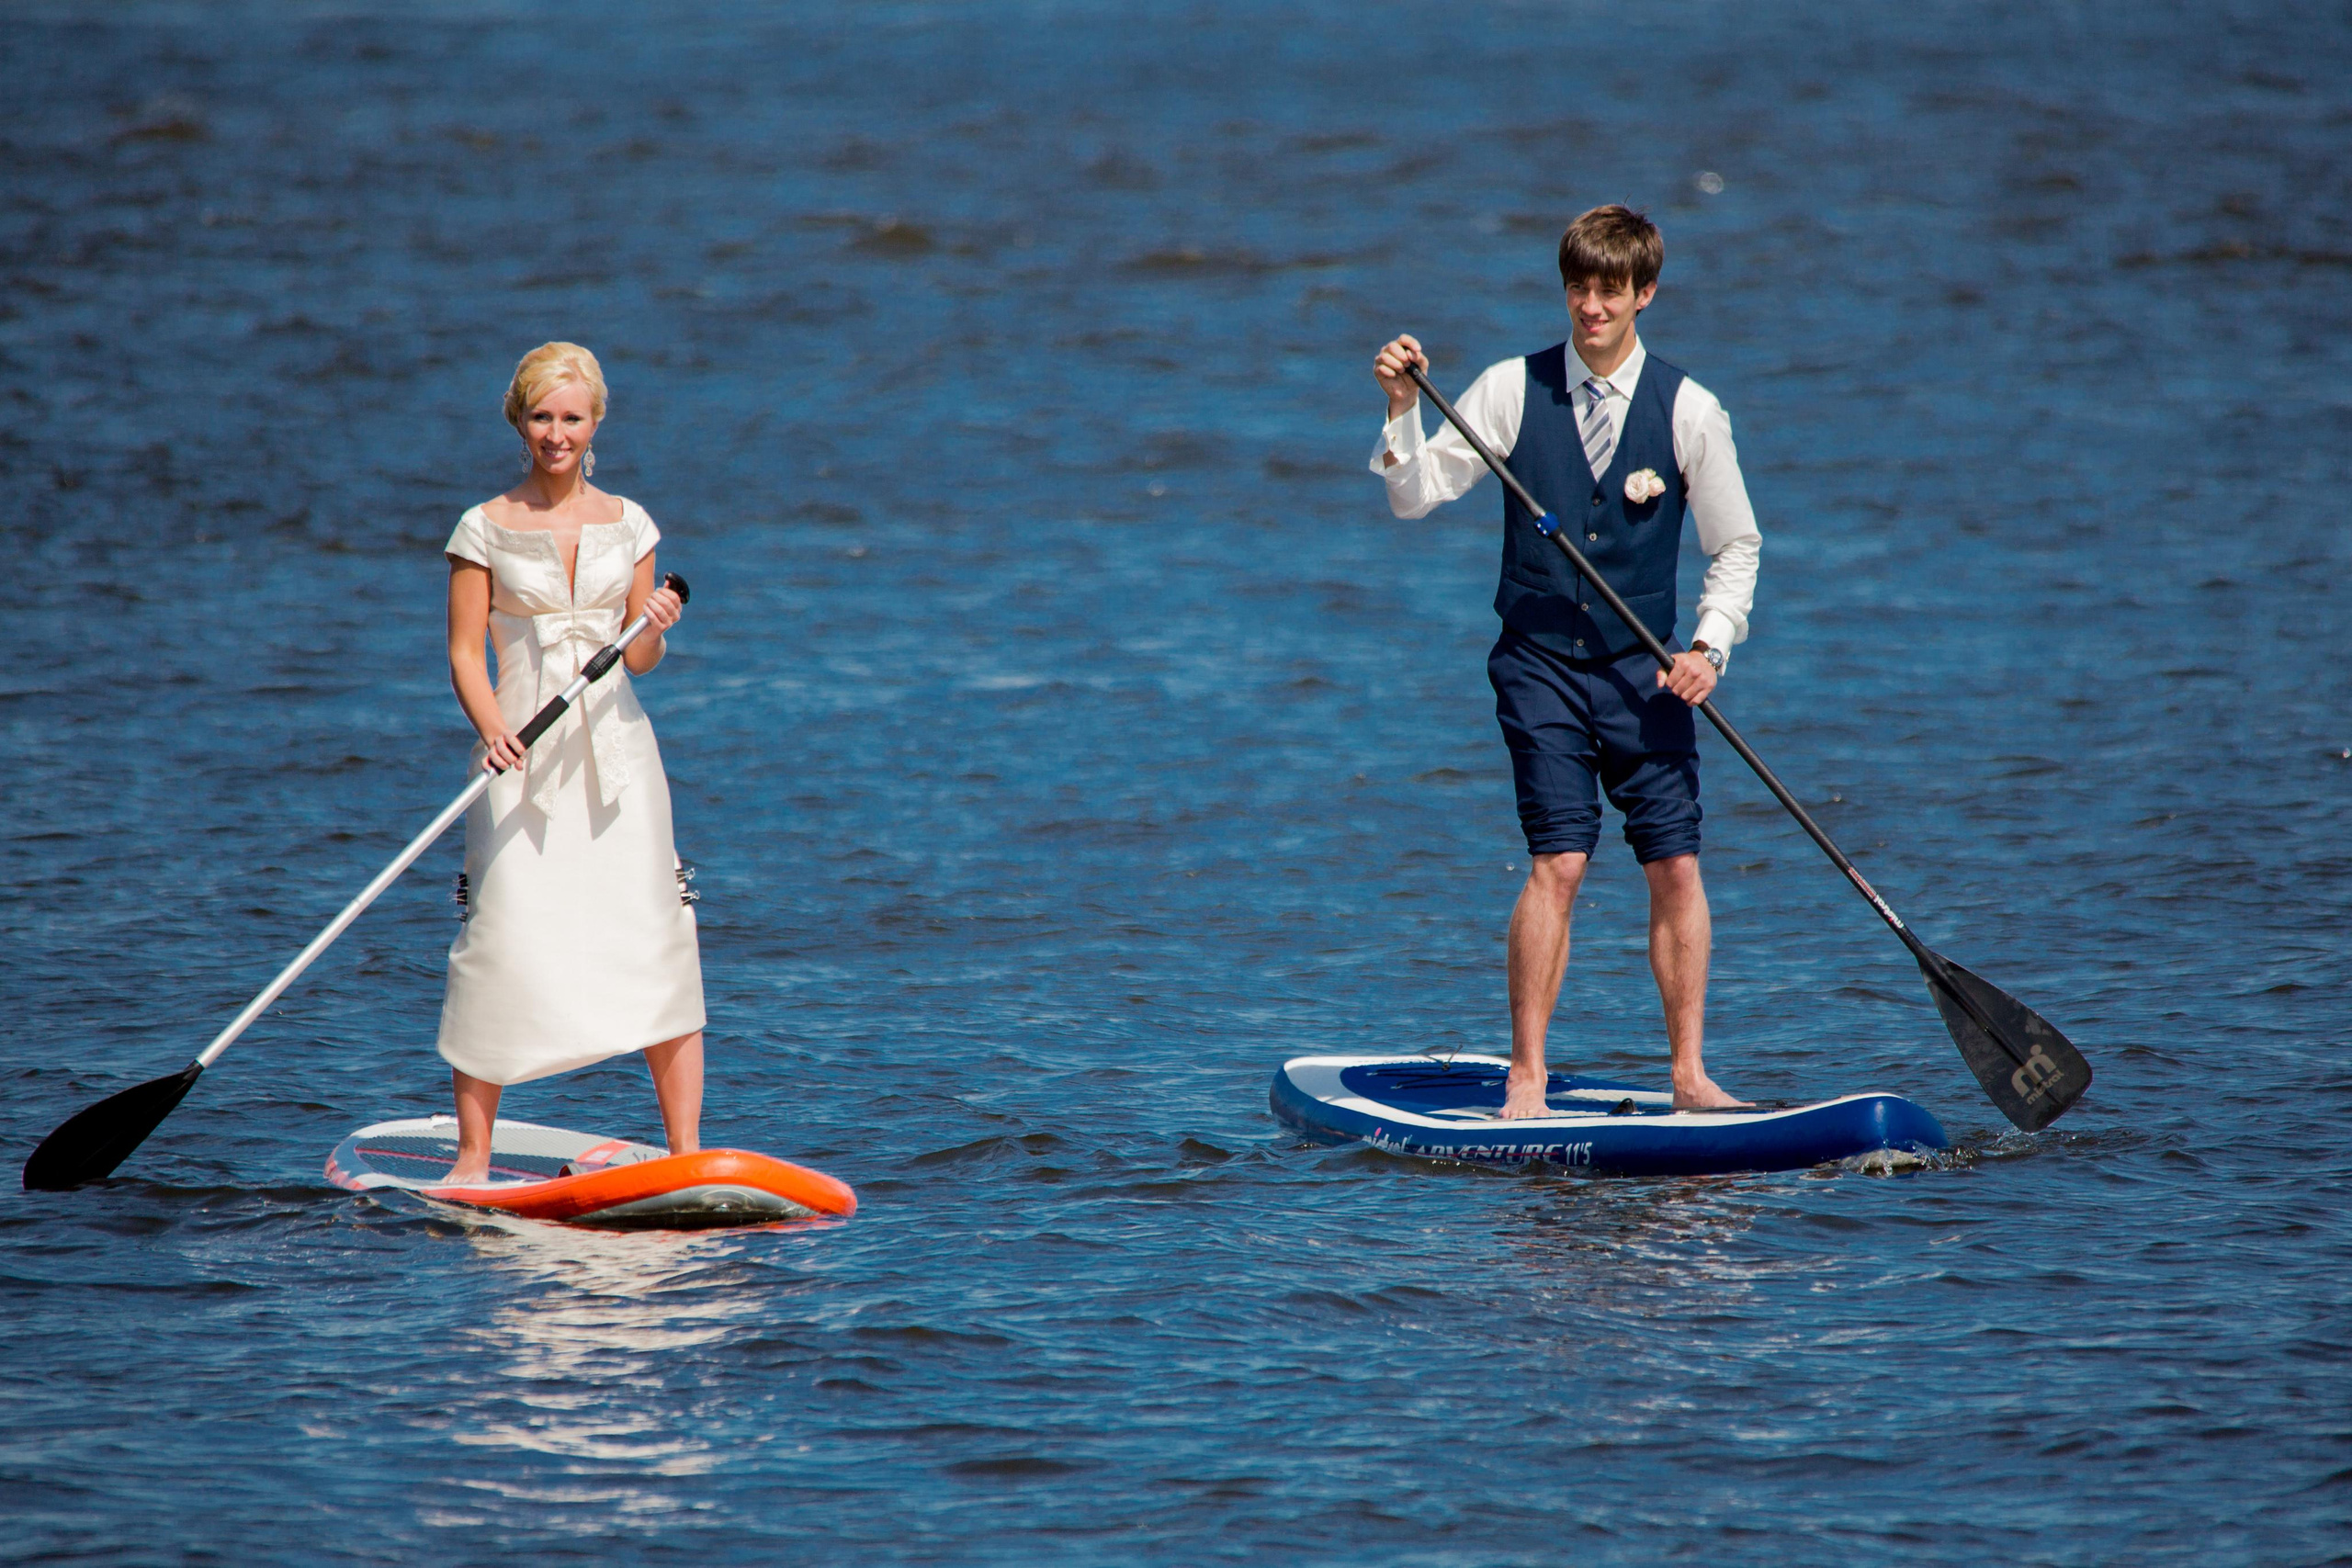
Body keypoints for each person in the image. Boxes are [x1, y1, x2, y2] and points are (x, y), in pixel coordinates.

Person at [1370, 205, 1762, 1117]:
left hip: (1646, 670)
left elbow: (1735, 545)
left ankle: (1691, 1079)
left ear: (1644, 294)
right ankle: (1525, 1076)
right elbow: (1415, 496)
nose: (1591, 307)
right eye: (1578, 288)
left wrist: (1709, 646)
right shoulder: (1512, 388)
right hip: (1539, 663)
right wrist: (1399, 410)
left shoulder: (1690, 410)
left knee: (1675, 867)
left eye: (1609, 291)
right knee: (1561, 862)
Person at [435, 341, 704, 1182]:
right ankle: (473, 1159)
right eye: (543, 416)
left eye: (573, 418)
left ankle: (685, 1156)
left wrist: (653, 625)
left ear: (596, 425)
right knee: (502, 933)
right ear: (521, 421)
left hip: (618, 755)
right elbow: (465, 652)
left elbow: (640, 659)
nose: (558, 433)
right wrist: (492, 729)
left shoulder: (632, 524)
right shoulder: (483, 526)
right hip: (519, 757)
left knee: (657, 933)